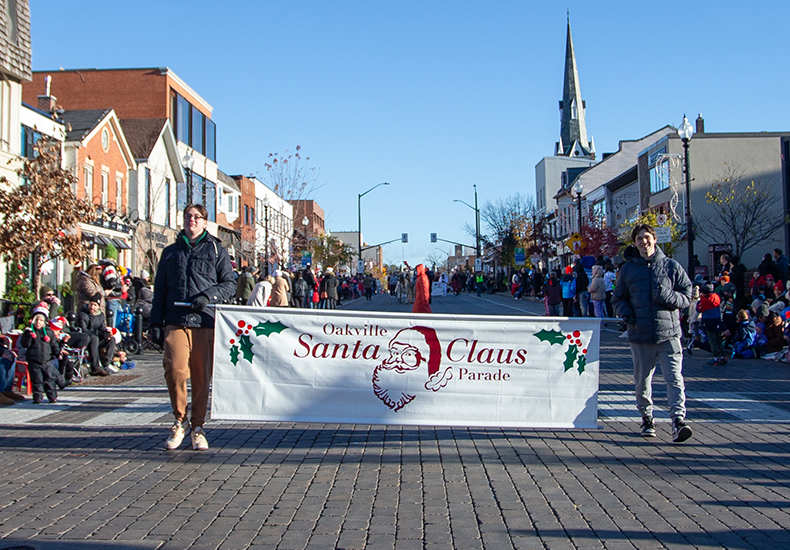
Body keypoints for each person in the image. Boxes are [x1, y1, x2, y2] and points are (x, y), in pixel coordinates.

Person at [149, 204, 235, 451]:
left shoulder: (217, 250)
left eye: (197, 217)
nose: (192, 220)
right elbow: (160, 291)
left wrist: (208, 297)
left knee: (201, 376)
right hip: (175, 318)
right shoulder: (170, 253)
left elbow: (229, 284)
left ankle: (197, 426)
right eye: (188, 216)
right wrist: (155, 322)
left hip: (204, 319)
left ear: (205, 222)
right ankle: (179, 420)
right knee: (175, 369)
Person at [612, 224, 693, 443]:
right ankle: (647, 418)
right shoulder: (628, 270)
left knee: (674, 379)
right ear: (635, 242)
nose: (643, 242)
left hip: (669, 334)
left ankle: (678, 420)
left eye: (646, 237)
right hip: (640, 334)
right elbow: (617, 297)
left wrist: (667, 296)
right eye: (639, 238)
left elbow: (687, 295)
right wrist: (627, 315)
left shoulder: (671, 266)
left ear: (654, 240)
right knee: (642, 382)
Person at [19, 304, 63, 404]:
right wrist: (28, 335)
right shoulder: (29, 332)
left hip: (46, 360)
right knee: (37, 380)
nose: (38, 322)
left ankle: (52, 396)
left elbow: (53, 344)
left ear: (45, 322)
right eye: (37, 320)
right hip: (34, 360)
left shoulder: (48, 332)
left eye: (41, 320)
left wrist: (57, 352)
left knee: (49, 379)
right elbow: (25, 344)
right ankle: (37, 397)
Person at [76, 293, 115, 376]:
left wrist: (106, 333)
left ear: (98, 307)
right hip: (87, 340)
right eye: (91, 304)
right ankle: (95, 367)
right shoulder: (83, 314)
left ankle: (106, 363)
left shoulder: (100, 315)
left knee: (111, 339)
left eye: (95, 305)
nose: (92, 307)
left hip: (97, 339)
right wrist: (99, 333)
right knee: (94, 338)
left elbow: (102, 328)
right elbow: (84, 330)